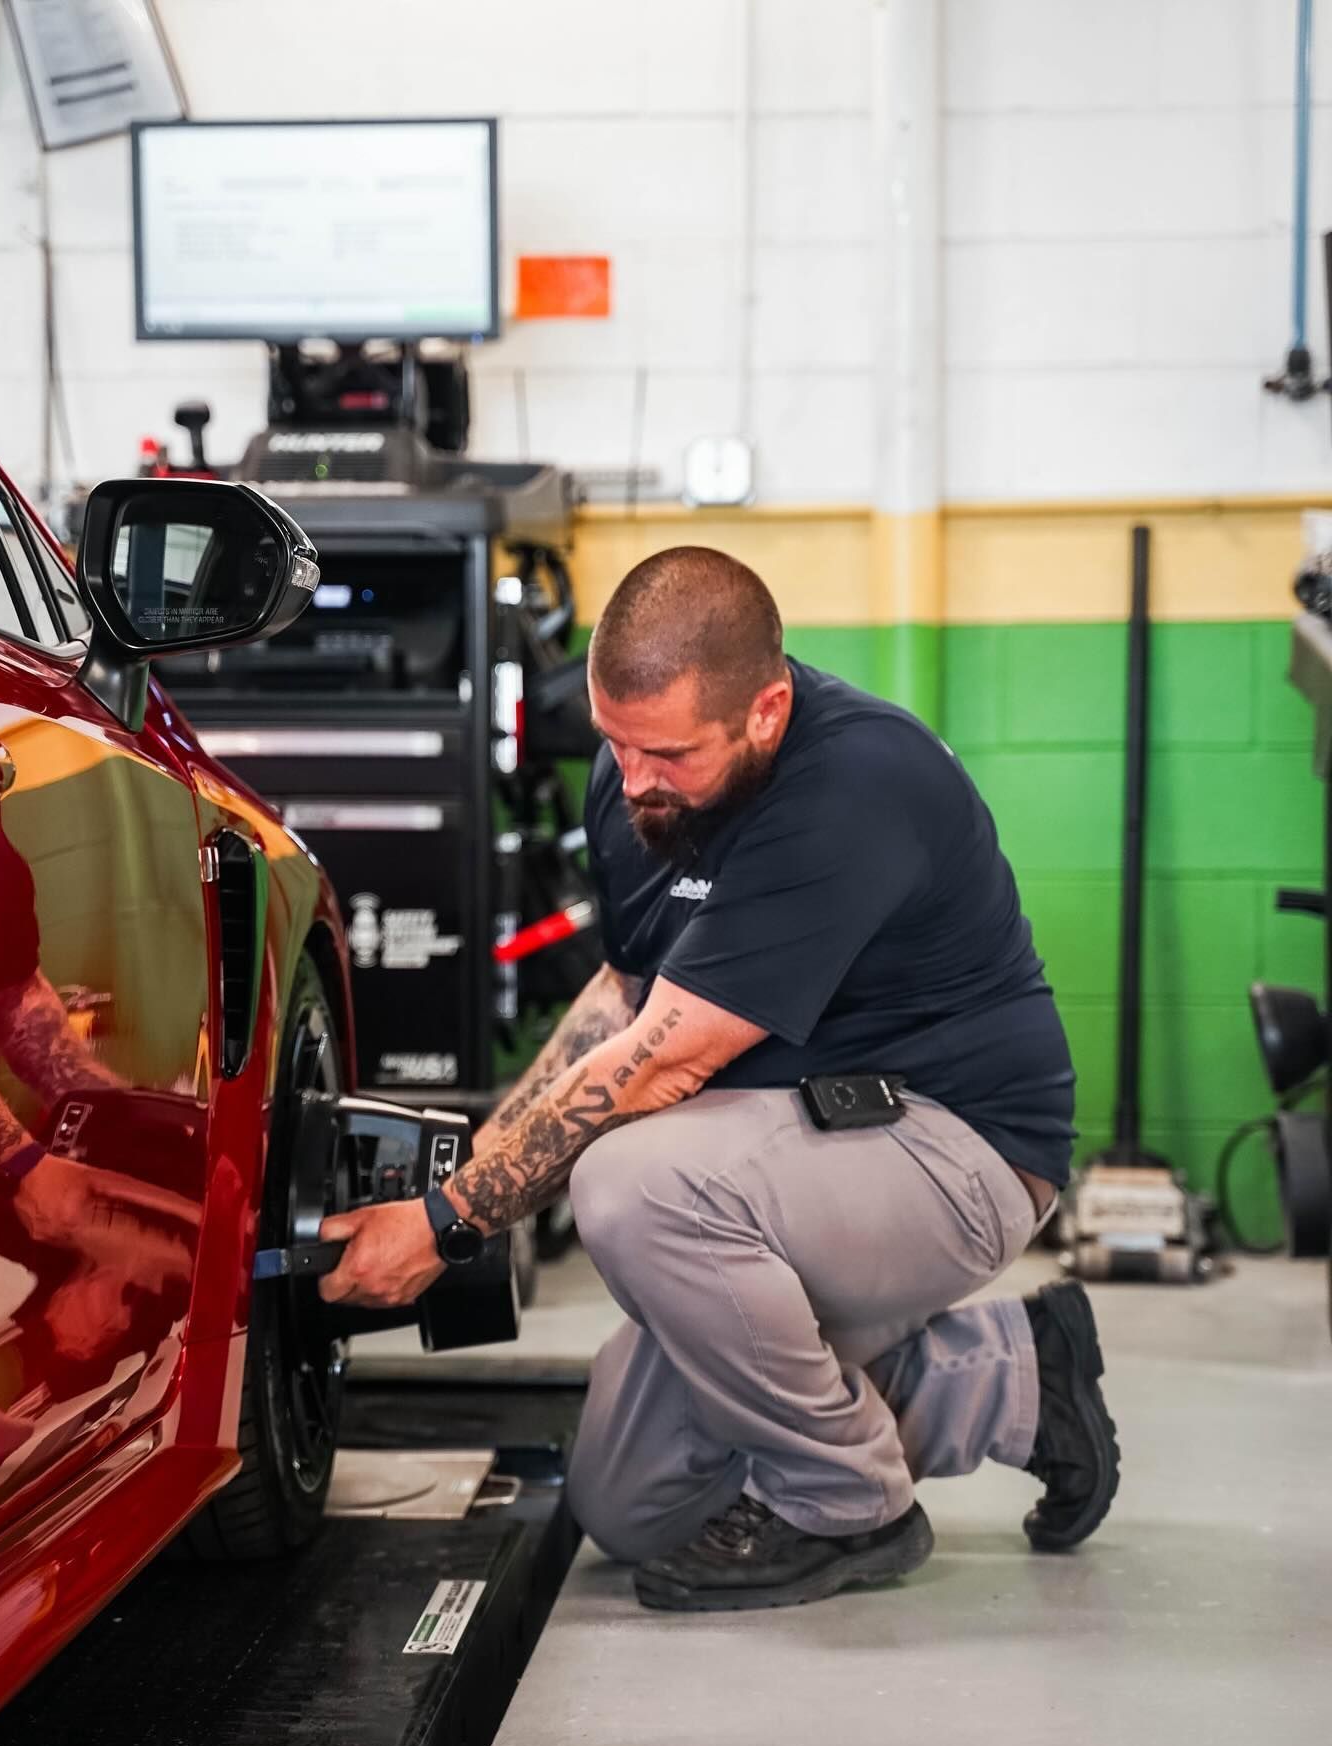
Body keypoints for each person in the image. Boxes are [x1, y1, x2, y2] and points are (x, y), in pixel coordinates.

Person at [320, 546, 1120, 1614]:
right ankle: (1018, 1380)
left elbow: (665, 1058)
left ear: (768, 709)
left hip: (955, 1149)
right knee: (628, 1502)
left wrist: (447, 1223)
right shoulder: (634, 776)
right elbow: (620, 1003)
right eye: (614, 742)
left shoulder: (856, 787)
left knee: (632, 1186)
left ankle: (851, 1504)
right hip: (781, 1156)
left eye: (668, 754)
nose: (633, 778)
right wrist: (467, 1177)